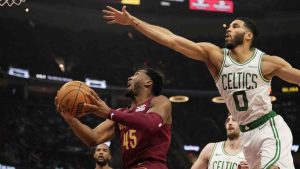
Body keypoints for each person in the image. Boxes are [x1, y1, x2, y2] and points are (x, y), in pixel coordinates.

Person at [102, 6, 300, 169]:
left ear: (248, 35)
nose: (228, 29)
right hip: (247, 136)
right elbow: (172, 40)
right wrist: (134, 22)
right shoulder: (216, 56)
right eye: (228, 26)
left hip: (268, 127)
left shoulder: (268, 63)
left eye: (235, 26)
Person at [56, 68, 172, 169]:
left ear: (148, 82)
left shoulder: (160, 101)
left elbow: (151, 124)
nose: (129, 78)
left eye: (136, 74)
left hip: (153, 165)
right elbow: (93, 138)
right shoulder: (121, 113)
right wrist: (70, 118)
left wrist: (109, 112)